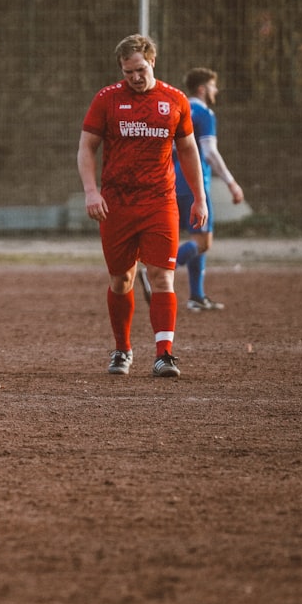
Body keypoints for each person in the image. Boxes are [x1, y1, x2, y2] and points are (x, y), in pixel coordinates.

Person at [77, 34, 208, 378]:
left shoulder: (175, 100)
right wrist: (92, 191)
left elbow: (189, 150)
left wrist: (199, 197)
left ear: (153, 62)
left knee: (162, 276)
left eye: (139, 69)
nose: (134, 77)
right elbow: (86, 147)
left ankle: (165, 354)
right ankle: (122, 350)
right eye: (127, 71)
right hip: (116, 205)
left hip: (159, 201)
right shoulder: (106, 99)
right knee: (121, 280)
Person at [173, 67, 244, 311]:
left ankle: (197, 295)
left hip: (171, 181)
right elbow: (210, 153)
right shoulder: (204, 113)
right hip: (195, 183)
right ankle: (159, 273)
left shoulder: (176, 109)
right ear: (202, 89)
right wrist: (231, 182)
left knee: (196, 238)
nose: (216, 90)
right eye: (213, 86)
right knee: (204, 242)